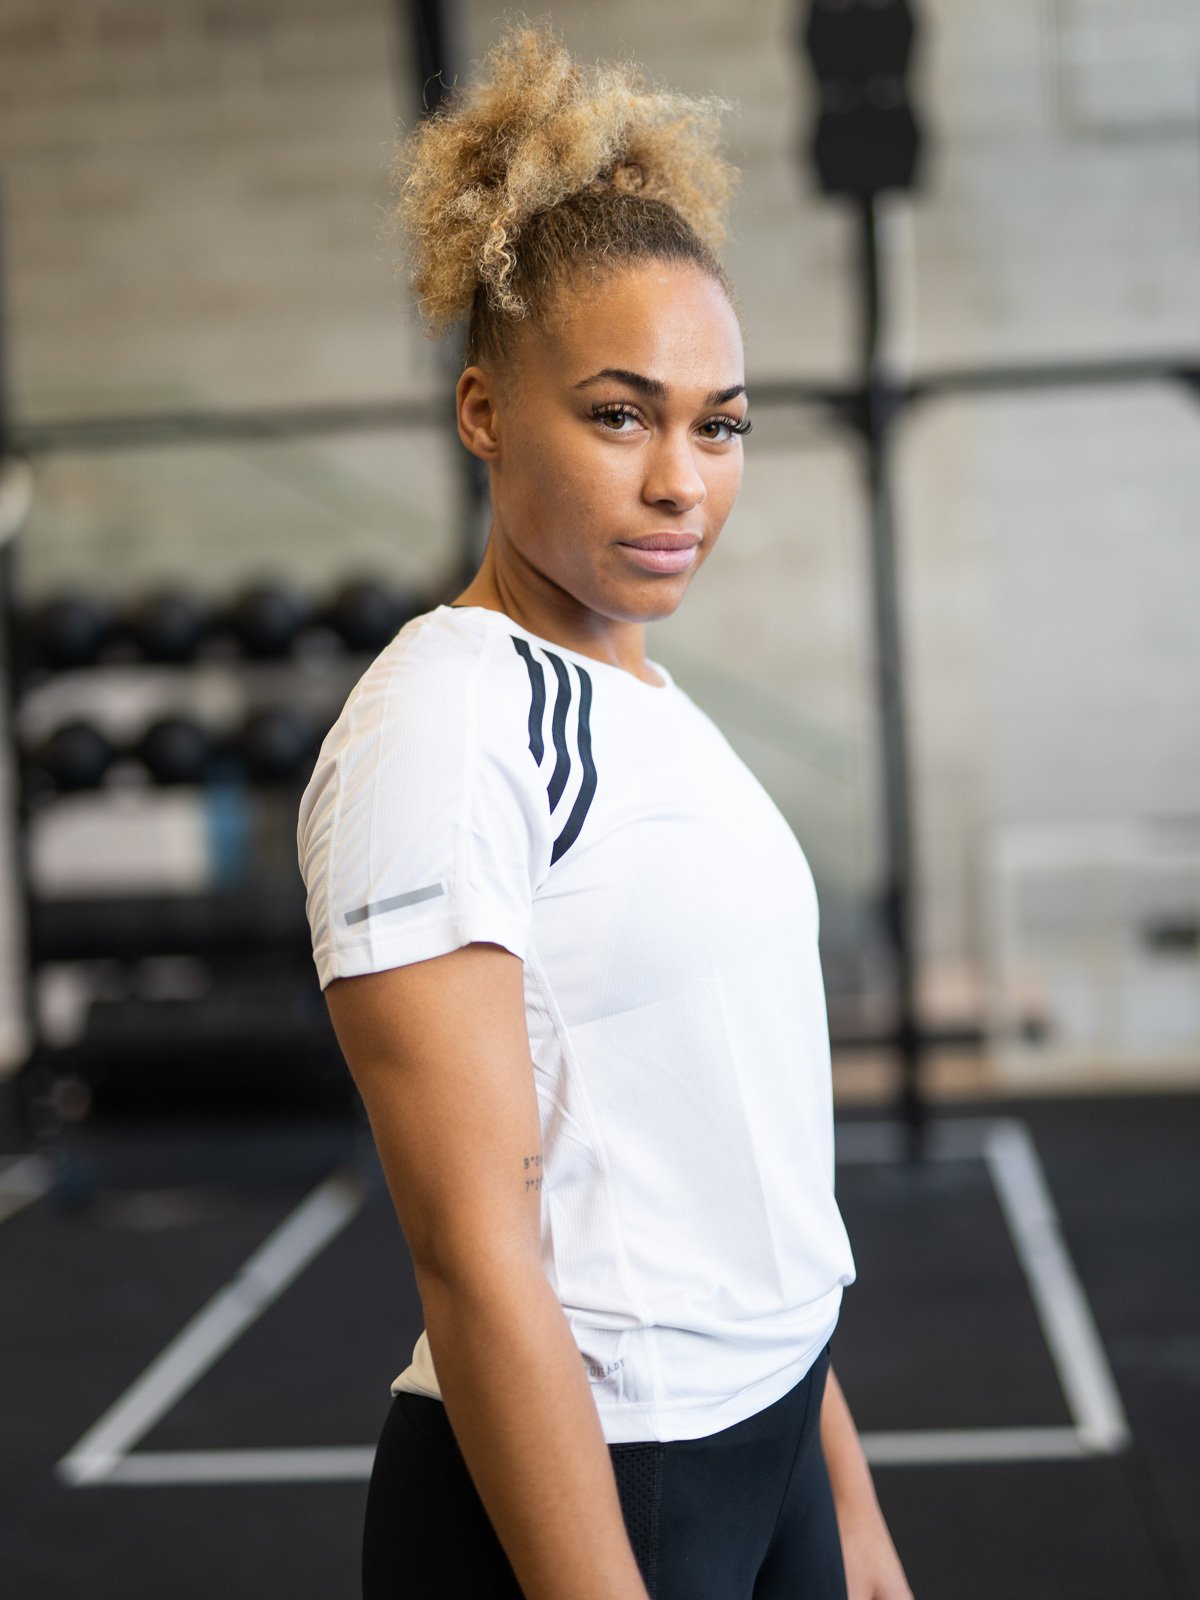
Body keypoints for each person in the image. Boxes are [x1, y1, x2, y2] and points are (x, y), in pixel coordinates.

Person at [297, 24, 912, 1600]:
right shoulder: (443, 729)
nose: (682, 481)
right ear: (485, 411)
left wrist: (846, 1512)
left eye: (720, 423)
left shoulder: (653, 705)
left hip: (768, 1444)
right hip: (595, 1486)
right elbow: (472, 1254)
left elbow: (738, 1171)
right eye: (622, 414)